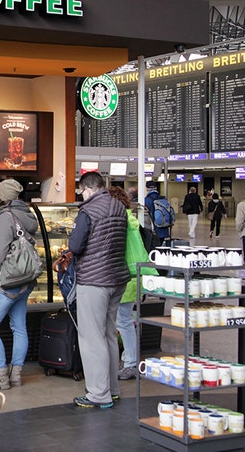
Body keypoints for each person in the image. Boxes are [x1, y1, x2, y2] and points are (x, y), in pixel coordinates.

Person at [68, 171, 129, 409]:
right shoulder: (118, 207)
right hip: (117, 278)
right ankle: (112, 390)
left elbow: (75, 245)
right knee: (108, 334)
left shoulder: (88, 211)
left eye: (81, 192)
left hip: (94, 280)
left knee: (92, 338)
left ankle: (97, 394)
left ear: (87, 189)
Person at [0, 179, 39, 390]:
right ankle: (16, 375)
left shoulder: (6, 218)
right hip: (26, 280)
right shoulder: (27, 215)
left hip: (9, 281)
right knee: (19, 327)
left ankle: (0, 375)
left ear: (1, 196)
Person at [108, 187, 157, 381]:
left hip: (125, 275)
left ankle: (130, 363)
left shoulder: (121, 222)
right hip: (134, 275)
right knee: (125, 320)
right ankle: (128, 360)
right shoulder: (131, 219)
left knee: (124, 321)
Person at [144, 181, 172, 245]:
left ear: (147, 188)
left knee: (153, 249)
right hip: (164, 228)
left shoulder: (147, 200)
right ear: (156, 188)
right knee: (160, 246)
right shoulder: (163, 198)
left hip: (153, 229)